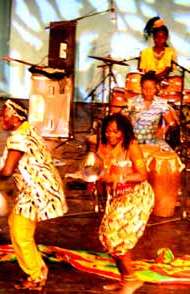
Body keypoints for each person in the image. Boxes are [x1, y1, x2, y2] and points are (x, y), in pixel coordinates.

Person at [0, 99, 68, 291]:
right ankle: (36, 270)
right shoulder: (26, 130)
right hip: (33, 189)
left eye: (5, 114)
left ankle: (37, 274)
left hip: (37, 190)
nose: (2, 118)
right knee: (17, 227)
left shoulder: (19, 138)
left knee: (20, 232)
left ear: (16, 118)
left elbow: (7, 171)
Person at [96, 113, 154, 294]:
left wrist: (119, 178)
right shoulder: (103, 146)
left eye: (116, 131)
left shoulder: (131, 146)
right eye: (108, 131)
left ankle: (132, 279)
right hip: (117, 198)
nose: (111, 135)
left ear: (124, 131)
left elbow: (143, 175)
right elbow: (100, 171)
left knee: (116, 239)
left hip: (137, 197)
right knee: (107, 237)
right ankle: (125, 280)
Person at [122, 71, 178, 151]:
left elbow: (172, 123)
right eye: (145, 88)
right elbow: (121, 121)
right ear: (141, 88)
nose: (148, 91)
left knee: (169, 155)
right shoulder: (132, 102)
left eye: (151, 88)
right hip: (134, 139)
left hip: (153, 139)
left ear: (156, 88)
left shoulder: (161, 103)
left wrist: (164, 129)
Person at [138, 16, 177, 81]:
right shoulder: (145, 52)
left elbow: (168, 69)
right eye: (157, 37)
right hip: (148, 84)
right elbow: (142, 70)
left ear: (166, 38)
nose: (160, 40)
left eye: (162, 37)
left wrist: (156, 78)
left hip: (165, 85)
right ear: (153, 37)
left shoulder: (170, 52)